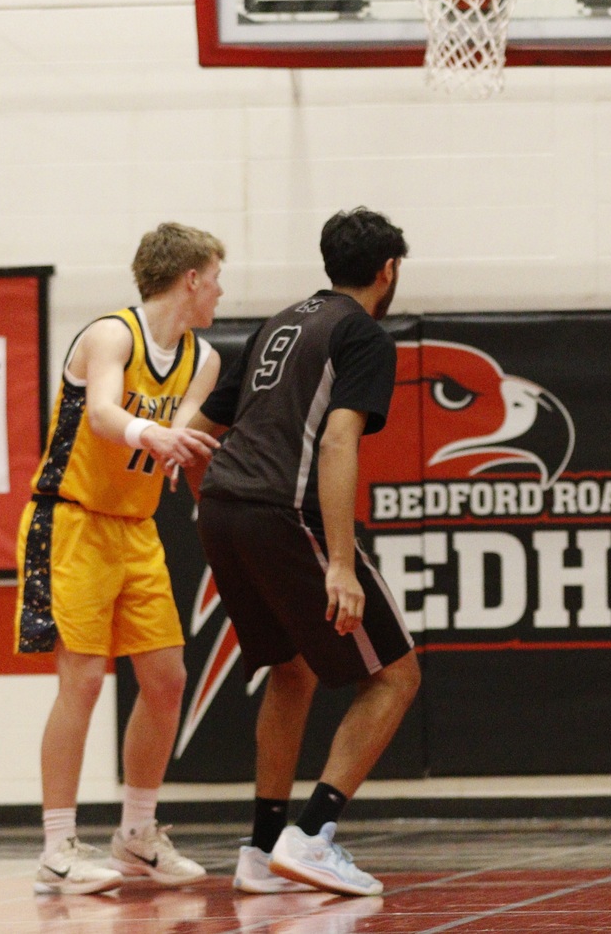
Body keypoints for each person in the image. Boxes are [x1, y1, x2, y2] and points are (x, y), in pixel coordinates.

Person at [187, 209, 417, 897]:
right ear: (388, 270)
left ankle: (261, 852)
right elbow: (339, 441)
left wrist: (217, 503)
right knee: (395, 676)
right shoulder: (363, 333)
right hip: (283, 511)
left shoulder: (279, 324)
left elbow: (197, 432)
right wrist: (340, 563)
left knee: (292, 670)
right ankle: (312, 835)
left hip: (223, 509)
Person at [15, 223, 225, 894]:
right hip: (71, 518)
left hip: (136, 527)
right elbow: (103, 413)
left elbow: (181, 436)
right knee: (81, 680)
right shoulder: (112, 335)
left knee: (166, 679)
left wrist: (187, 452)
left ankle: (137, 834)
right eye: (215, 277)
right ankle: (57, 849)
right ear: (190, 278)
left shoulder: (204, 359)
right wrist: (151, 432)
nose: (220, 290)